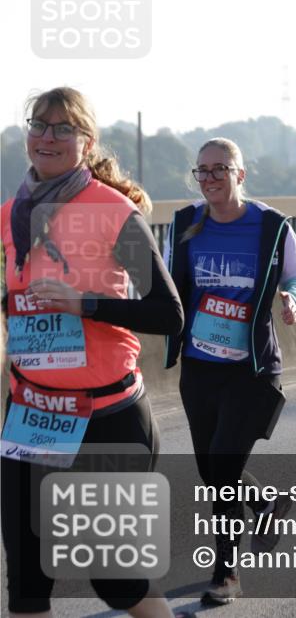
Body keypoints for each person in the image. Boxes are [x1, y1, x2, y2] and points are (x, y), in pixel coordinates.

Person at [1, 87, 191, 617]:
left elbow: (168, 313)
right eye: (39, 124)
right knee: (27, 582)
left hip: (105, 417)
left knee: (117, 581)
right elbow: (15, 294)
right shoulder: (11, 214)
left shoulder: (113, 211)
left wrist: (85, 304)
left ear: (86, 142)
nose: (48, 137)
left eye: (64, 128)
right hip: (32, 416)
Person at [162, 137, 296, 605]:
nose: (209, 179)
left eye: (219, 170)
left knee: (223, 465)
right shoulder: (185, 222)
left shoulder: (272, 226)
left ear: (240, 175)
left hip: (252, 369)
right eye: (201, 171)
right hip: (200, 367)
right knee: (210, 467)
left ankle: (226, 572)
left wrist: (294, 300)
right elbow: (169, 280)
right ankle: (265, 504)